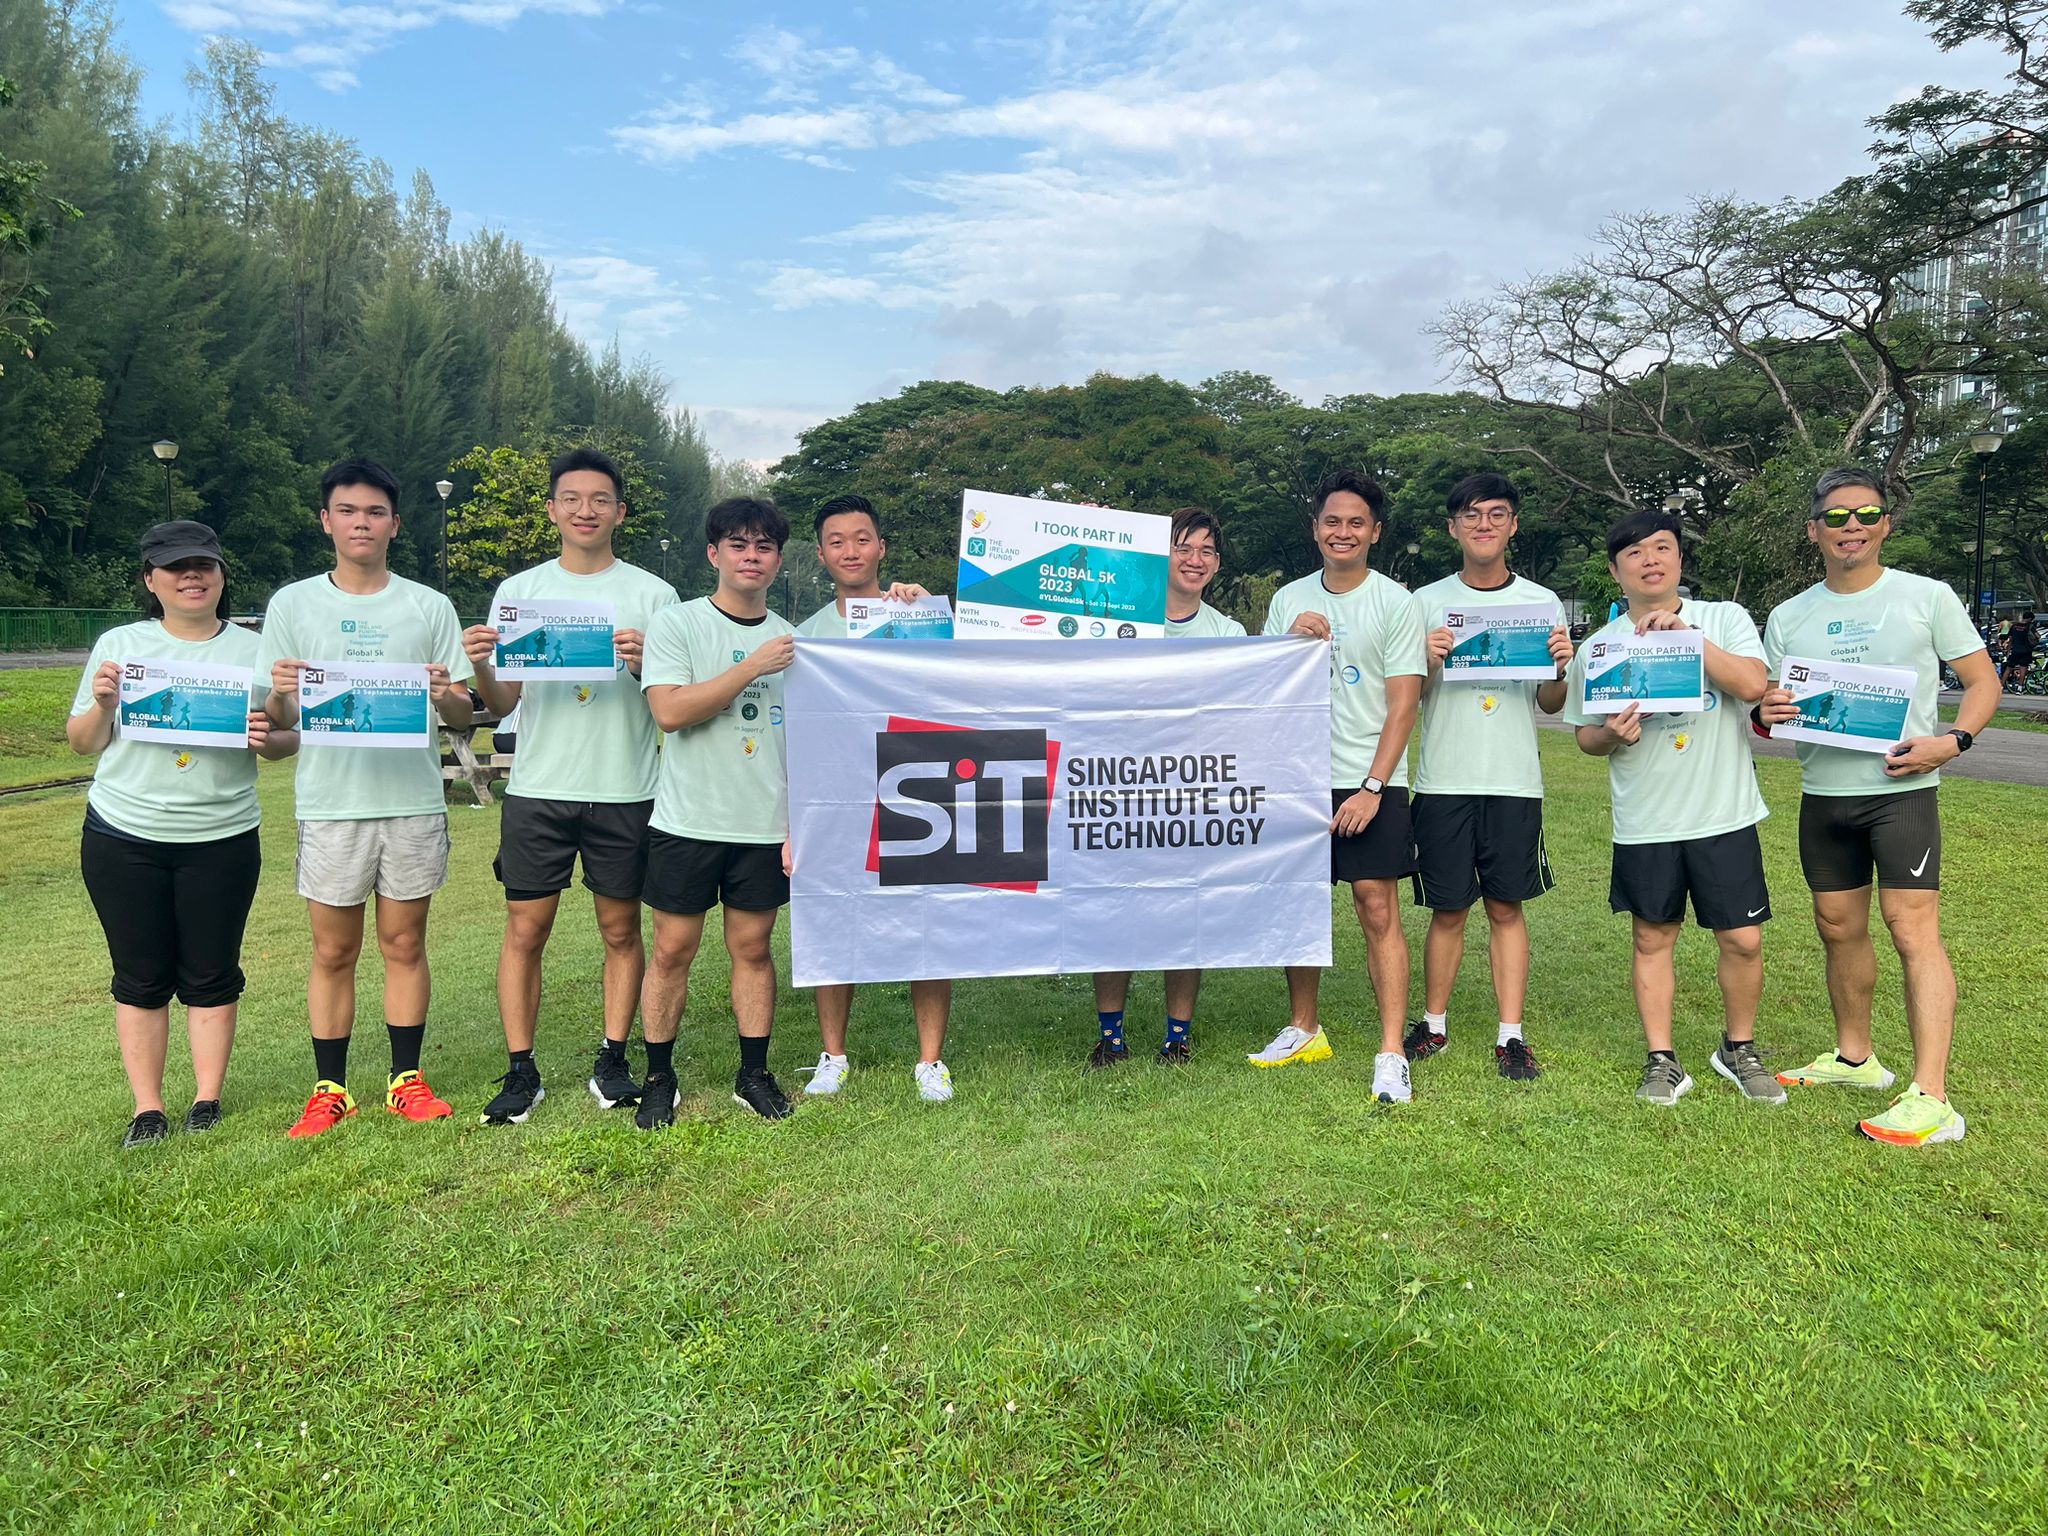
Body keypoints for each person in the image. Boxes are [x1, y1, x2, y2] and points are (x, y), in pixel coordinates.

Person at [1758, 467, 2001, 1145]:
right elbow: (1773, 704)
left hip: (1902, 794)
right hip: (1824, 795)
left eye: (1866, 514)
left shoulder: (1927, 597)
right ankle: (1855, 1058)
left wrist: (1953, 741)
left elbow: (1983, 682)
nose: (1852, 527)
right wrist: (1767, 711)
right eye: (1836, 517)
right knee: (1837, 927)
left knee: (1912, 930)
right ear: (1814, 531)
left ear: (1885, 524)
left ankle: (1933, 1097)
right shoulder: (1789, 615)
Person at [461, 447, 679, 1126]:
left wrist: (644, 665)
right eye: (573, 499)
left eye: (601, 499)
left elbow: (672, 701)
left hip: (625, 786)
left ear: (620, 511)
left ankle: (613, 1057)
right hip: (539, 786)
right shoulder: (520, 591)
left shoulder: (654, 595)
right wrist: (482, 665)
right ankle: (520, 1068)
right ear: (553, 509)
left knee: (620, 928)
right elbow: (503, 699)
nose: (587, 511)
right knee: (526, 928)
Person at [259, 458, 475, 1138]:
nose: (362, 523)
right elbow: (280, 719)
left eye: (375, 512)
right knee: (333, 951)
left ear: (395, 525)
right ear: (326, 521)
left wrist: (444, 693)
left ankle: (405, 1080)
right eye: (348, 511)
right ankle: (331, 1090)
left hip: (412, 801)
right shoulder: (293, 605)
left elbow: (464, 713)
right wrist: (281, 692)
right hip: (331, 803)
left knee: (404, 942)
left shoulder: (428, 606)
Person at [69, 522, 299, 1148]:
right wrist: (104, 703)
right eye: (174, 567)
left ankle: (206, 1099)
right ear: (151, 580)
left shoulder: (255, 651)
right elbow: (84, 742)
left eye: (203, 564)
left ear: (222, 575)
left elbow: (288, 738)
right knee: (139, 975)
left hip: (222, 834)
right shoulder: (121, 645)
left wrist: (269, 737)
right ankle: (148, 1109)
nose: (191, 576)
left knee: (212, 971)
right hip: (124, 833)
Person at [1563, 509, 1779, 1107]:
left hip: (1723, 813)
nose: (1650, 560)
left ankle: (1739, 1047)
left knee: (1743, 939)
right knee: (1652, 937)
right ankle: (1662, 1059)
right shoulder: (1599, 648)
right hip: (1647, 818)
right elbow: (1585, 736)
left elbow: (1752, 686)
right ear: (1616, 571)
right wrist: (1611, 735)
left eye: (1662, 547)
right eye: (1634, 553)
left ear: (1680, 559)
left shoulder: (1723, 619)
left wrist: (1686, 638)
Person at [1254, 470, 1426, 1104]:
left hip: (1369, 779)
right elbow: (1262, 690)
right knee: (1299, 905)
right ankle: (1304, 1027)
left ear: (1375, 533)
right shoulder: (1288, 599)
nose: (1343, 532)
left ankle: (1391, 1051)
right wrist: (1286, 641)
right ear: (1316, 529)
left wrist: (1372, 787)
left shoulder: (1396, 602)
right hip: (1298, 777)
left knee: (1376, 904)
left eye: (1356, 522)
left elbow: (1404, 704)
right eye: (1332, 521)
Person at [637, 495, 798, 1128]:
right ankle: (659, 1076)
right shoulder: (678, 624)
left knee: (753, 949)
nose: (751, 556)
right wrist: (754, 665)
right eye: (738, 544)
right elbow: (670, 712)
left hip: (763, 823)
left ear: (778, 560)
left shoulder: (795, 638)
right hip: (688, 820)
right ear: (714, 554)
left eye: (764, 546)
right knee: (671, 950)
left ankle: (753, 1073)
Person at [791, 493, 955, 1101]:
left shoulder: (916, 613)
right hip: (837, 796)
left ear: (881, 547)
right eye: (837, 541)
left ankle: (931, 1060)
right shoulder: (805, 636)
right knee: (833, 919)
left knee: (927, 921)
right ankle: (832, 1055)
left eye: (862, 539)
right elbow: (799, 734)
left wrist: (927, 612)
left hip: (918, 785)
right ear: (821, 555)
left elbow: (955, 687)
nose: (851, 551)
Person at [1409, 473, 1572, 1082]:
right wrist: (1427, 659)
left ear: (1513, 525)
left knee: (1506, 906)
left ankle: (1511, 1035)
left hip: (1513, 779)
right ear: (1453, 527)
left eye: (1496, 514)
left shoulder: (1541, 602)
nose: (1484, 524)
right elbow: (1409, 694)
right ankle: (1434, 1025)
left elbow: (1550, 702)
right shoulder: (1425, 602)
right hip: (1443, 779)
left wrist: (1561, 667)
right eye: (1472, 515)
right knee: (1448, 908)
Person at [1090, 505, 1247, 1069]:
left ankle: (1177, 1036)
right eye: (1183, 547)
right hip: (1117, 788)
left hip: (1190, 792)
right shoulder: (1117, 618)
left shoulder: (1227, 633)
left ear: (1217, 563)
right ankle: (1111, 1037)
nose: (1194, 560)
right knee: (1114, 910)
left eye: (1206, 551)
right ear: (1161, 555)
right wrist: (1093, 538)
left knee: (1187, 914)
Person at [2005, 609, 2036, 691]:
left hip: (2015, 650)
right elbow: (2038, 636)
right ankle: (2020, 688)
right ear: (2029, 619)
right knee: (2023, 669)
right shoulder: (2029, 626)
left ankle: (2001, 685)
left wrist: (2008, 651)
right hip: (2026, 650)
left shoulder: (2014, 626)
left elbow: (2010, 639)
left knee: (2009, 668)